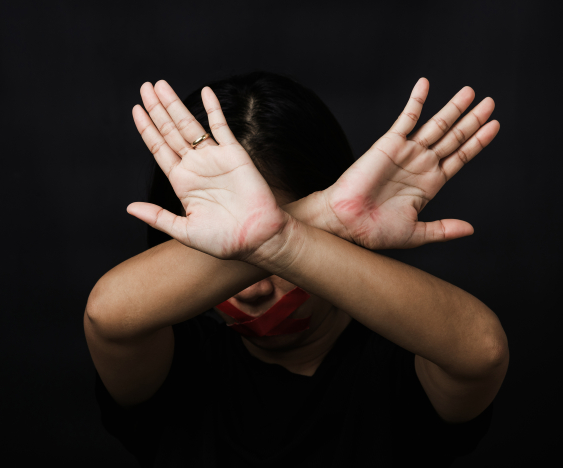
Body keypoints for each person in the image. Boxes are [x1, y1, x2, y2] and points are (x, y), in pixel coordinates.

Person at [83, 71, 508, 467]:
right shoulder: (177, 361)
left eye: (272, 248)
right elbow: (108, 314)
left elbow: (482, 351)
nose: (252, 291)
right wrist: (321, 215)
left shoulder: (403, 361)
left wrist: (285, 239)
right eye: (227, 252)